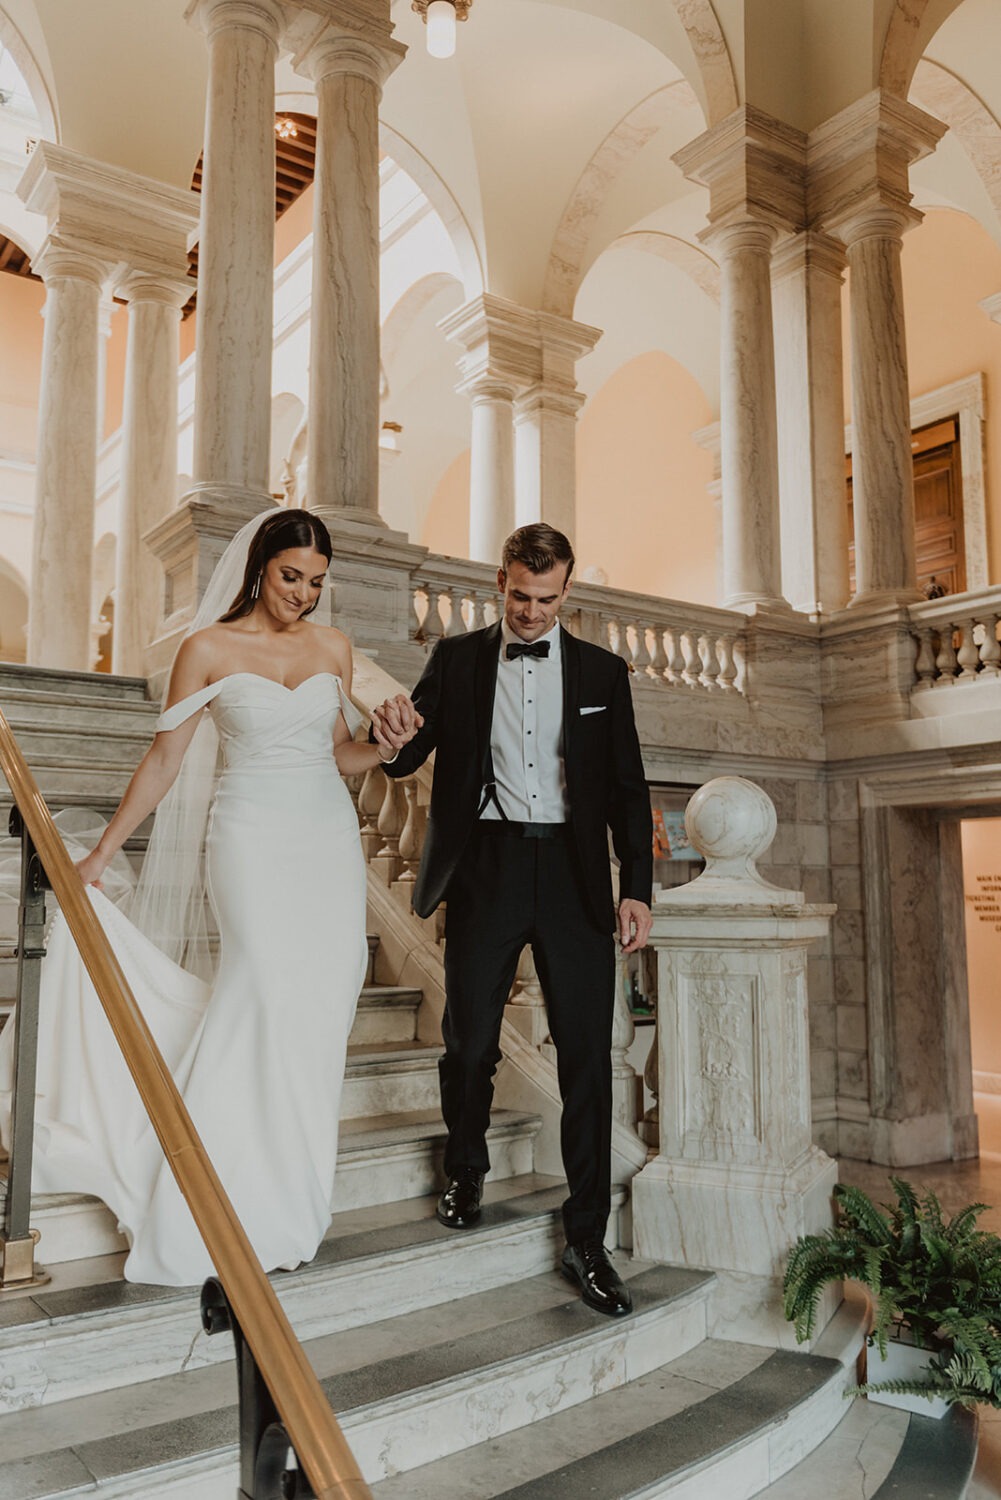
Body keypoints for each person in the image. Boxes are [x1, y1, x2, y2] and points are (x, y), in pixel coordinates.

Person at [0, 509, 419, 1286]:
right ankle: (211, 1204)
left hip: (324, 843)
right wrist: (98, 852)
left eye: (316, 582)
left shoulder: (332, 646)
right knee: (258, 990)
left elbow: (340, 757)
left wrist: (386, 747)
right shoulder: (209, 648)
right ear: (260, 566)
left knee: (322, 1008)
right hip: (251, 839)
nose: (302, 594)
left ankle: (290, 1197)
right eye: (291, 576)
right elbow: (165, 761)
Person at [372, 523, 652, 1317]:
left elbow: (628, 788)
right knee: (468, 1041)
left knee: (586, 1062)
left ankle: (587, 1237)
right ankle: (464, 1171)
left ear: (567, 593)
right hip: (487, 867)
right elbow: (403, 755)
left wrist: (637, 887)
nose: (531, 613)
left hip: (571, 876)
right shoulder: (456, 660)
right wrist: (386, 738)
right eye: (520, 597)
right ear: (500, 582)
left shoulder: (602, 670)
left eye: (547, 599)